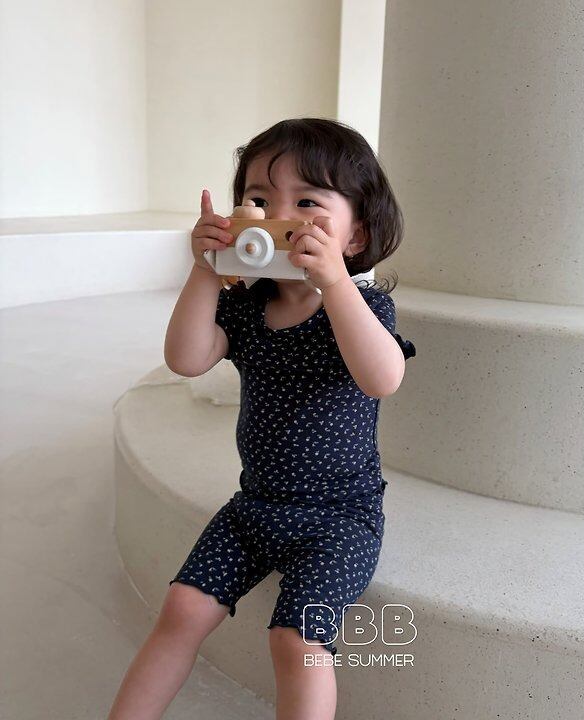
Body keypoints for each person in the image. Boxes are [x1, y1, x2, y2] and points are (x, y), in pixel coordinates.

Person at [106, 117, 416, 720]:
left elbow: (382, 378)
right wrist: (205, 268)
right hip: (254, 507)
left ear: (356, 234)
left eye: (308, 202)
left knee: (296, 642)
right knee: (181, 611)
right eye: (259, 201)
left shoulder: (363, 306)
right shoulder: (246, 307)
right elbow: (186, 359)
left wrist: (335, 285)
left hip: (339, 519)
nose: (280, 217)